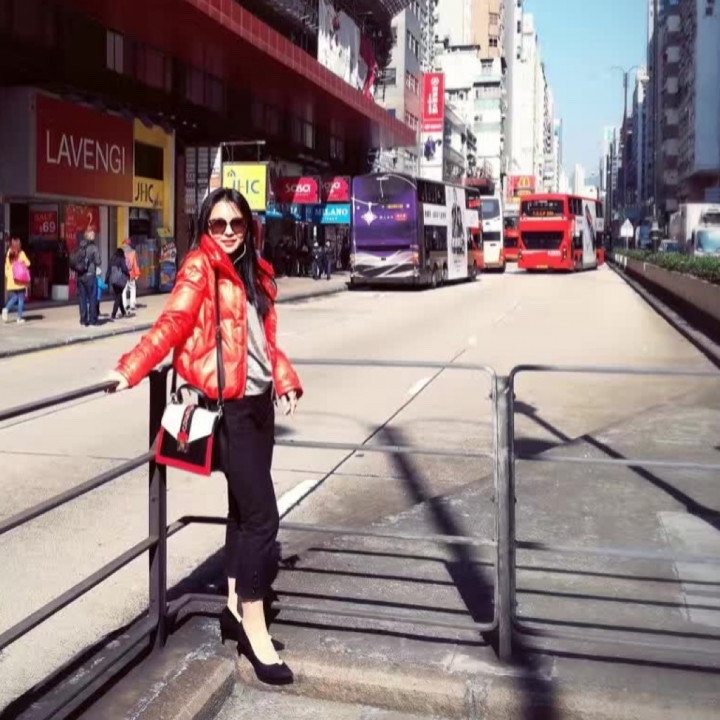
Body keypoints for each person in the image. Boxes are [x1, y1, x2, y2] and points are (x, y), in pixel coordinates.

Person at [106, 188, 302, 686]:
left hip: (259, 406)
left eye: (236, 223)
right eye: (218, 224)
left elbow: (262, 344)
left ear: (248, 227)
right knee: (263, 518)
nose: (228, 232)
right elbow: (173, 322)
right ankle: (254, 630)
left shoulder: (256, 272)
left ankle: (234, 606)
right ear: (205, 228)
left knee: (243, 511)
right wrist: (132, 367)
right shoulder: (200, 267)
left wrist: (283, 378)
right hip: (228, 409)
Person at [70, 228, 101, 327]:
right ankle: (92, 320)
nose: (94, 235)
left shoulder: (80, 246)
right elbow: (98, 261)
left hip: (80, 276)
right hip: (90, 275)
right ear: (90, 236)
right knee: (92, 298)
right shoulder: (93, 247)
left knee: (82, 298)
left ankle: (83, 320)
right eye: (93, 234)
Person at [3, 237, 31, 324]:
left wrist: (8, 276)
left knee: (14, 297)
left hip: (11, 281)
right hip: (20, 280)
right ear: (19, 245)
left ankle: (6, 309)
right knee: (21, 299)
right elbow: (28, 263)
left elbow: (6, 266)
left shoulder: (9, 253)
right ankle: (19, 318)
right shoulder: (21, 253)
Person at [106, 247, 130, 320]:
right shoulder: (121, 259)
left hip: (113, 281)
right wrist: (128, 275)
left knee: (118, 296)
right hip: (120, 280)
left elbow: (108, 271)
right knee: (118, 297)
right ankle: (113, 314)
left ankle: (123, 312)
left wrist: (106, 280)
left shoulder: (111, 260)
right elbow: (124, 269)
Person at [122, 238, 140, 315]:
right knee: (133, 289)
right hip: (131, 274)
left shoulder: (122, 253)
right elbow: (135, 264)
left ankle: (124, 304)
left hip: (123, 274)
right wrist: (137, 274)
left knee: (124, 290)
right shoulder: (133, 253)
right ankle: (132, 304)